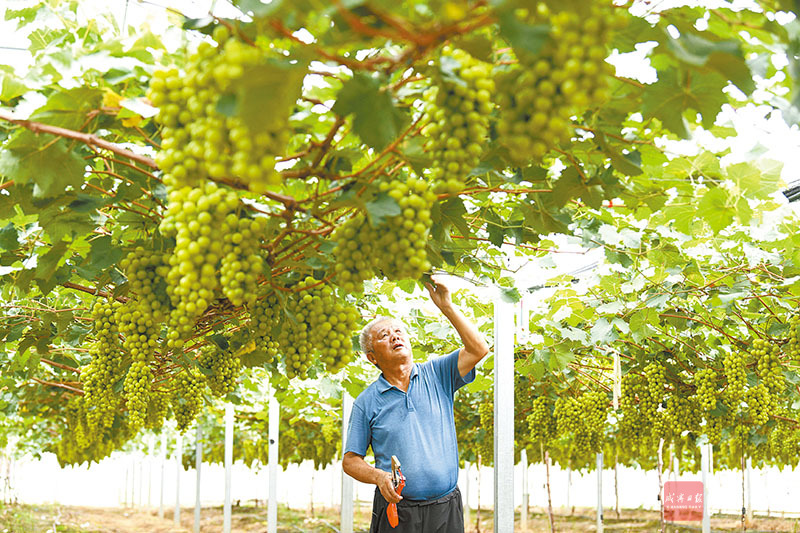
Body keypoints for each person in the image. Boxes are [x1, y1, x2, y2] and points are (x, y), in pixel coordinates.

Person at [342, 275, 490, 533]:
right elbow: (350, 460)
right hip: (398, 511)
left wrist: (446, 306)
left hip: (446, 508)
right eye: (384, 335)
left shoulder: (438, 373)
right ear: (372, 357)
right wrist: (379, 476)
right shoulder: (367, 401)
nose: (394, 337)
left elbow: (479, 349)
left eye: (398, 332)